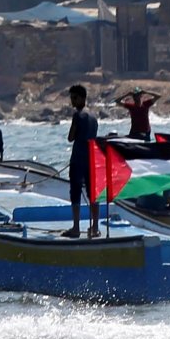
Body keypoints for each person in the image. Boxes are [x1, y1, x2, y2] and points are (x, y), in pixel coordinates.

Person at [62, 84, 103, 239]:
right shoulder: (93, 117)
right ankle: (95, 227)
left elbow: (70, 137)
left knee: (76, 192)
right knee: (93, 193)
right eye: (72, 98)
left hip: (78, 158)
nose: (72, 101)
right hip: (92, 158)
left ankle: (76, 227)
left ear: (82, 98)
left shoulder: (77, 115)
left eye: (75, 98)